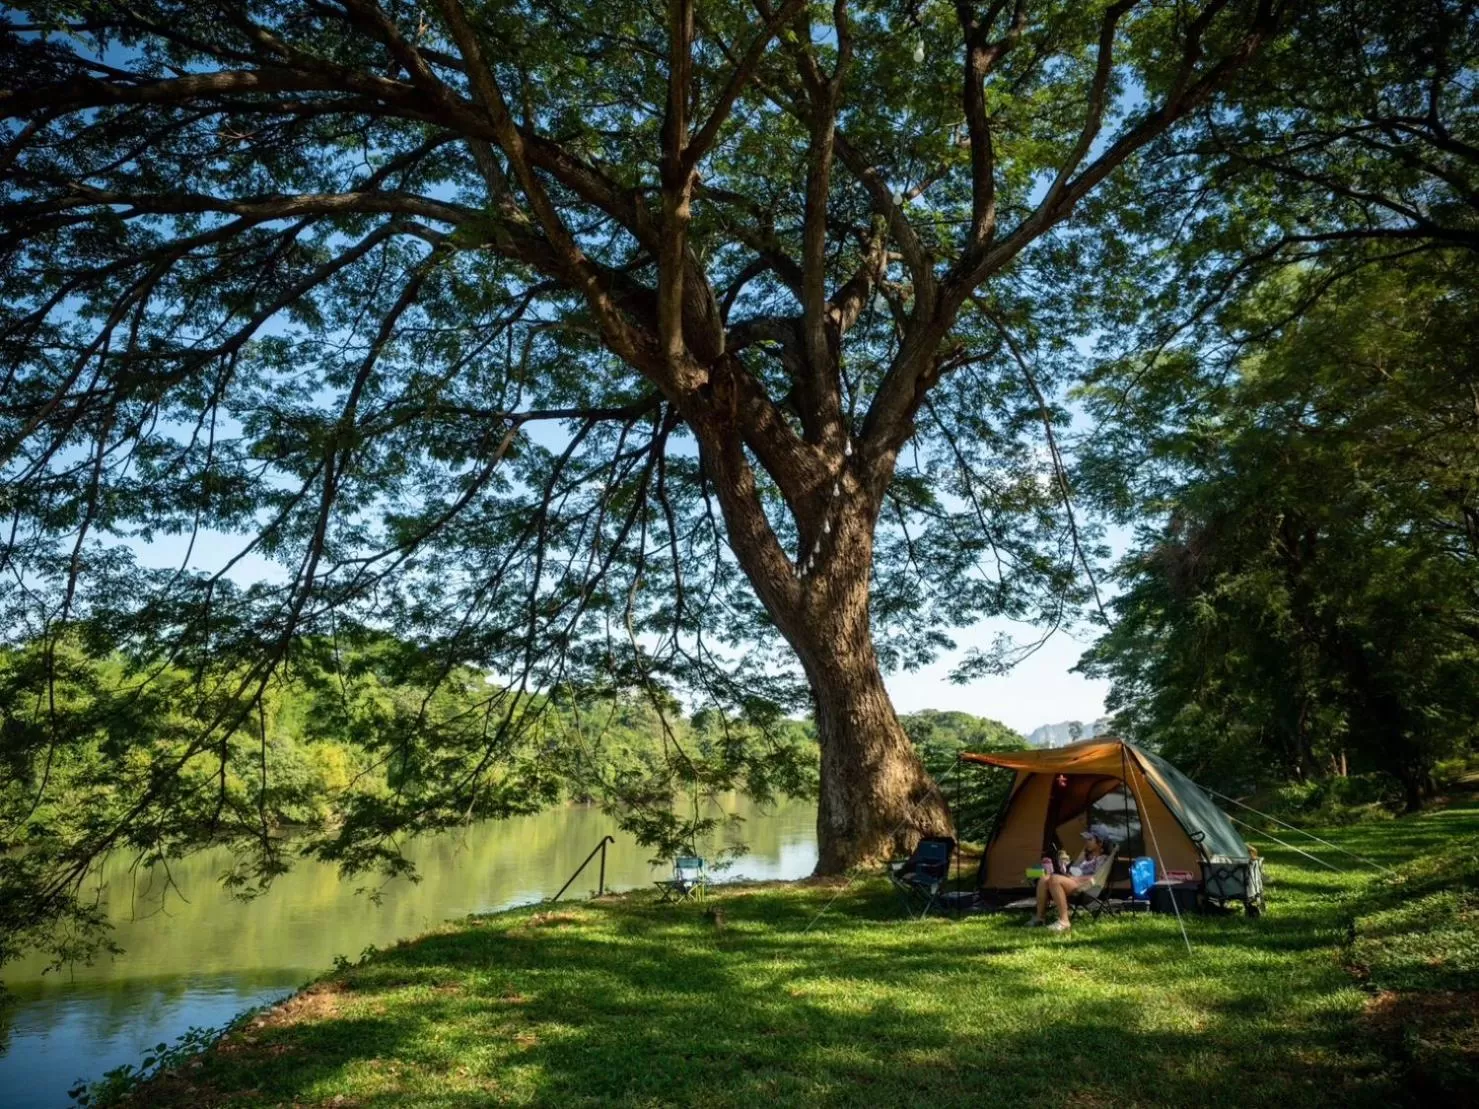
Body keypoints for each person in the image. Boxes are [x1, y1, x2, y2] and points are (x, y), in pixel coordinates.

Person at [1027, 827, 1114, 933]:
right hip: (1074, 882)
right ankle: (1040, 918)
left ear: (1100, 843)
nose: (1086, 842)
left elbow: (1095, 878)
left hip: (1087, 888)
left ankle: (1064, 921)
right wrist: (1067, 872)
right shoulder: (1087, 856)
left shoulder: (1102, 859)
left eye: (1090, 839)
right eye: (1086, 839)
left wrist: (1074, 878)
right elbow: (1077, 870)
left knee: (1055, 879)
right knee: (1044, 878)